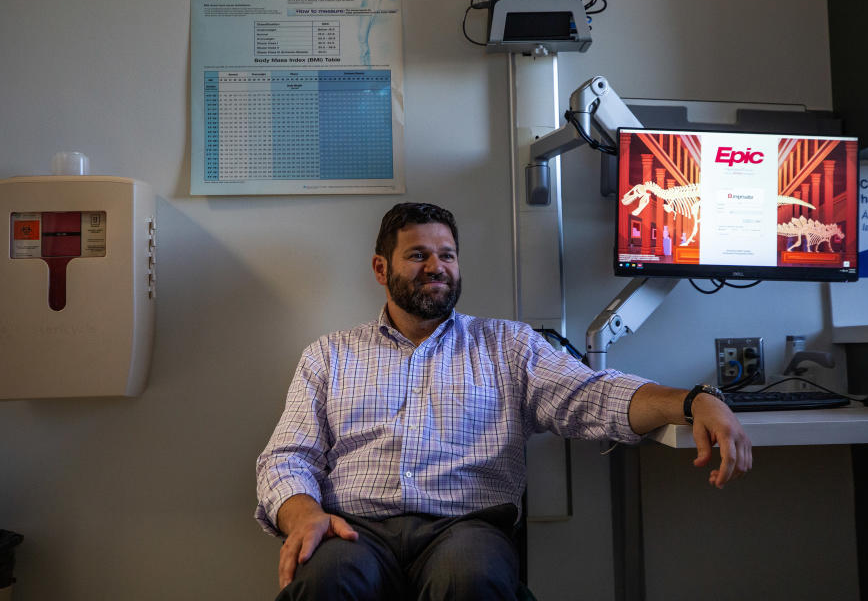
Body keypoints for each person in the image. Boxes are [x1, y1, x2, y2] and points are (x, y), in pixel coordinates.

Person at [256, 202, 752, 600]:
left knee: (470, 579)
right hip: (354, 527)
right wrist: (304, 516)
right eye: (418, 256)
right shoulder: (329, 355)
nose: (437, 267)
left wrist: (694, 400)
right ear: (380, 268)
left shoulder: (508, 346)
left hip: (465, 527)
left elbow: (593, 394)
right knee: (326, 582)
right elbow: (287, 457)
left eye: (447, 255)